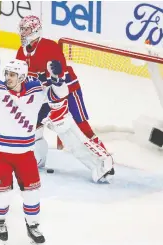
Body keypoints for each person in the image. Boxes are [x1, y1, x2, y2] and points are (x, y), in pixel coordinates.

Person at [0, 58, 69, 244]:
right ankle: (0, 220)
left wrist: (58, 77)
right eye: (6, 74)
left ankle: (32, 226)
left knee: (32, 192)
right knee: (3, 194)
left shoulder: (35, 90)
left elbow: (60, 94)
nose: (8, 78)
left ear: (23, 77)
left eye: (12, 75)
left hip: (25, 153)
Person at [16, 15, 114, 182]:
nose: (23, 32)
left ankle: (104, 161)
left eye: (27, 29)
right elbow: (20, 78)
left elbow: (59, 76)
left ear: (36, 30)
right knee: (33, 124)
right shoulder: (21, 51)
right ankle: (37, 157)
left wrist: (56, 76)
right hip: (44, 94)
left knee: (80, 125)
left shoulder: (49, 47)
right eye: (22, 28)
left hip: (67, 89)